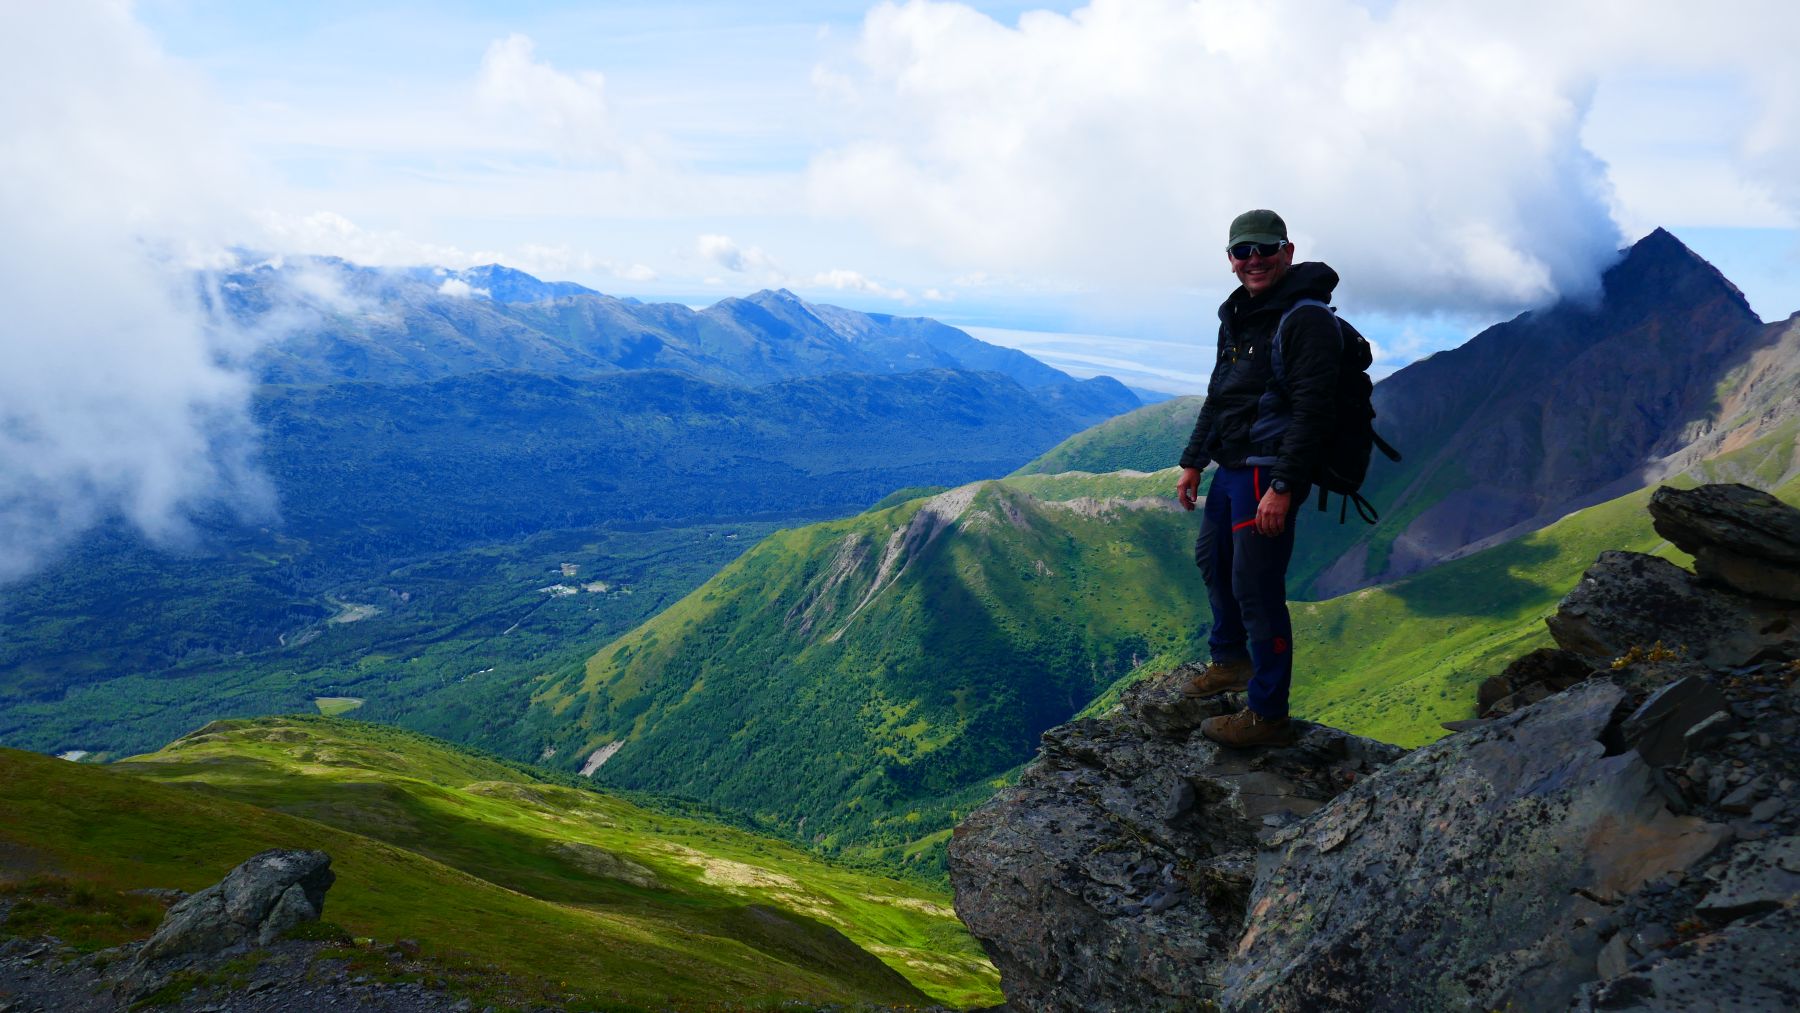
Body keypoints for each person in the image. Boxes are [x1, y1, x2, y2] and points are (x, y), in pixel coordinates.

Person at [1175, 209, 1343, 748]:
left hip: (1267, 471)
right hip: (1231, 467)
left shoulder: (1306, 319)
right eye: (1242, 251)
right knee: (1214, 561)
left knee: (1258, 588)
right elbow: (1220, 393)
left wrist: (1284, 485)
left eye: (1264, 249)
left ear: (1288, 251)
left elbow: (1313, 410)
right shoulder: (1239, 315)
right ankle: (1230, 660)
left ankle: (1268, 713)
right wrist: (1193, 459)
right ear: (1230, 260)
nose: (1254, 260)